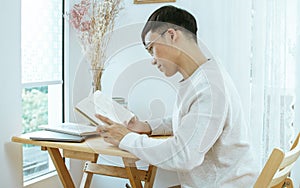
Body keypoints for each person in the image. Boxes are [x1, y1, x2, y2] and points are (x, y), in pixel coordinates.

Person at [96, 5, 259, 187]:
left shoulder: (209, 88)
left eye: (151, 48)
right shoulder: (204, 75)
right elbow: (190, 121)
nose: (152, 59)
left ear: (172, 36)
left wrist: (126, 138)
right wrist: (147, 127)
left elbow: (184, 155)